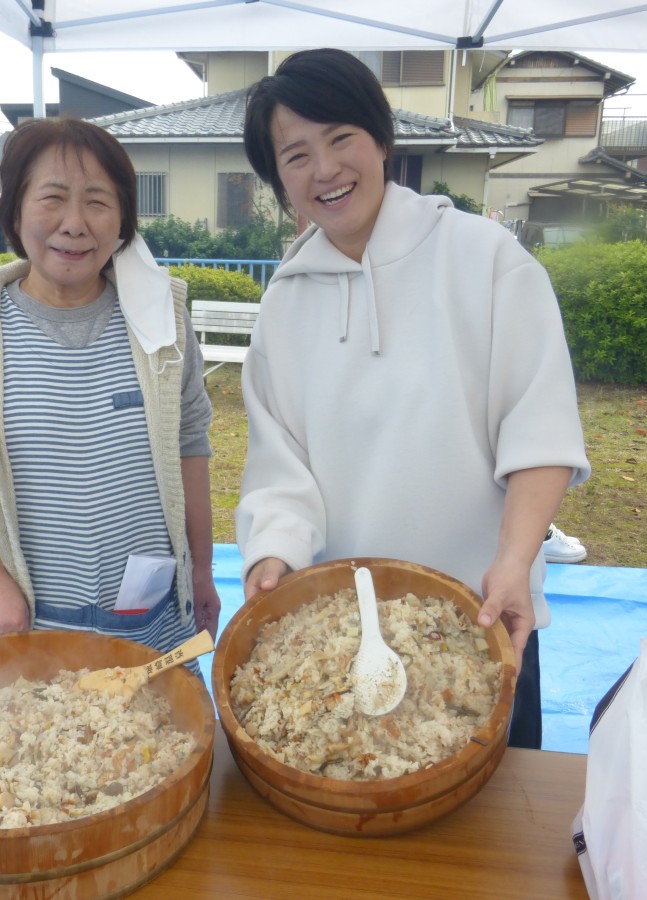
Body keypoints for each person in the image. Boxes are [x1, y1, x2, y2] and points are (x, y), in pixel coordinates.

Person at [236, 49, 590, 749]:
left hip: (481, 615)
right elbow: (280, 462)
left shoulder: (485, 258)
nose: (325, 170)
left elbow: (539, 427)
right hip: (343, 637)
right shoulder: (285, 303)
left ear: (381, 140)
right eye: (296, 156)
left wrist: (515, 562)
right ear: (278, 179)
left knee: (496, 810)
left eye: (341, 138)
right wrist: (273, 553)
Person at [0, 117, 221, 655]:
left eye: (98, 201)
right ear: (15, 211)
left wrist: (203, 571)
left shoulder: (160, 321)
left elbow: (190, 446)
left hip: (150, 622)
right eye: (52, 198)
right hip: (30, 626)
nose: (74, 224)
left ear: (123, 221)